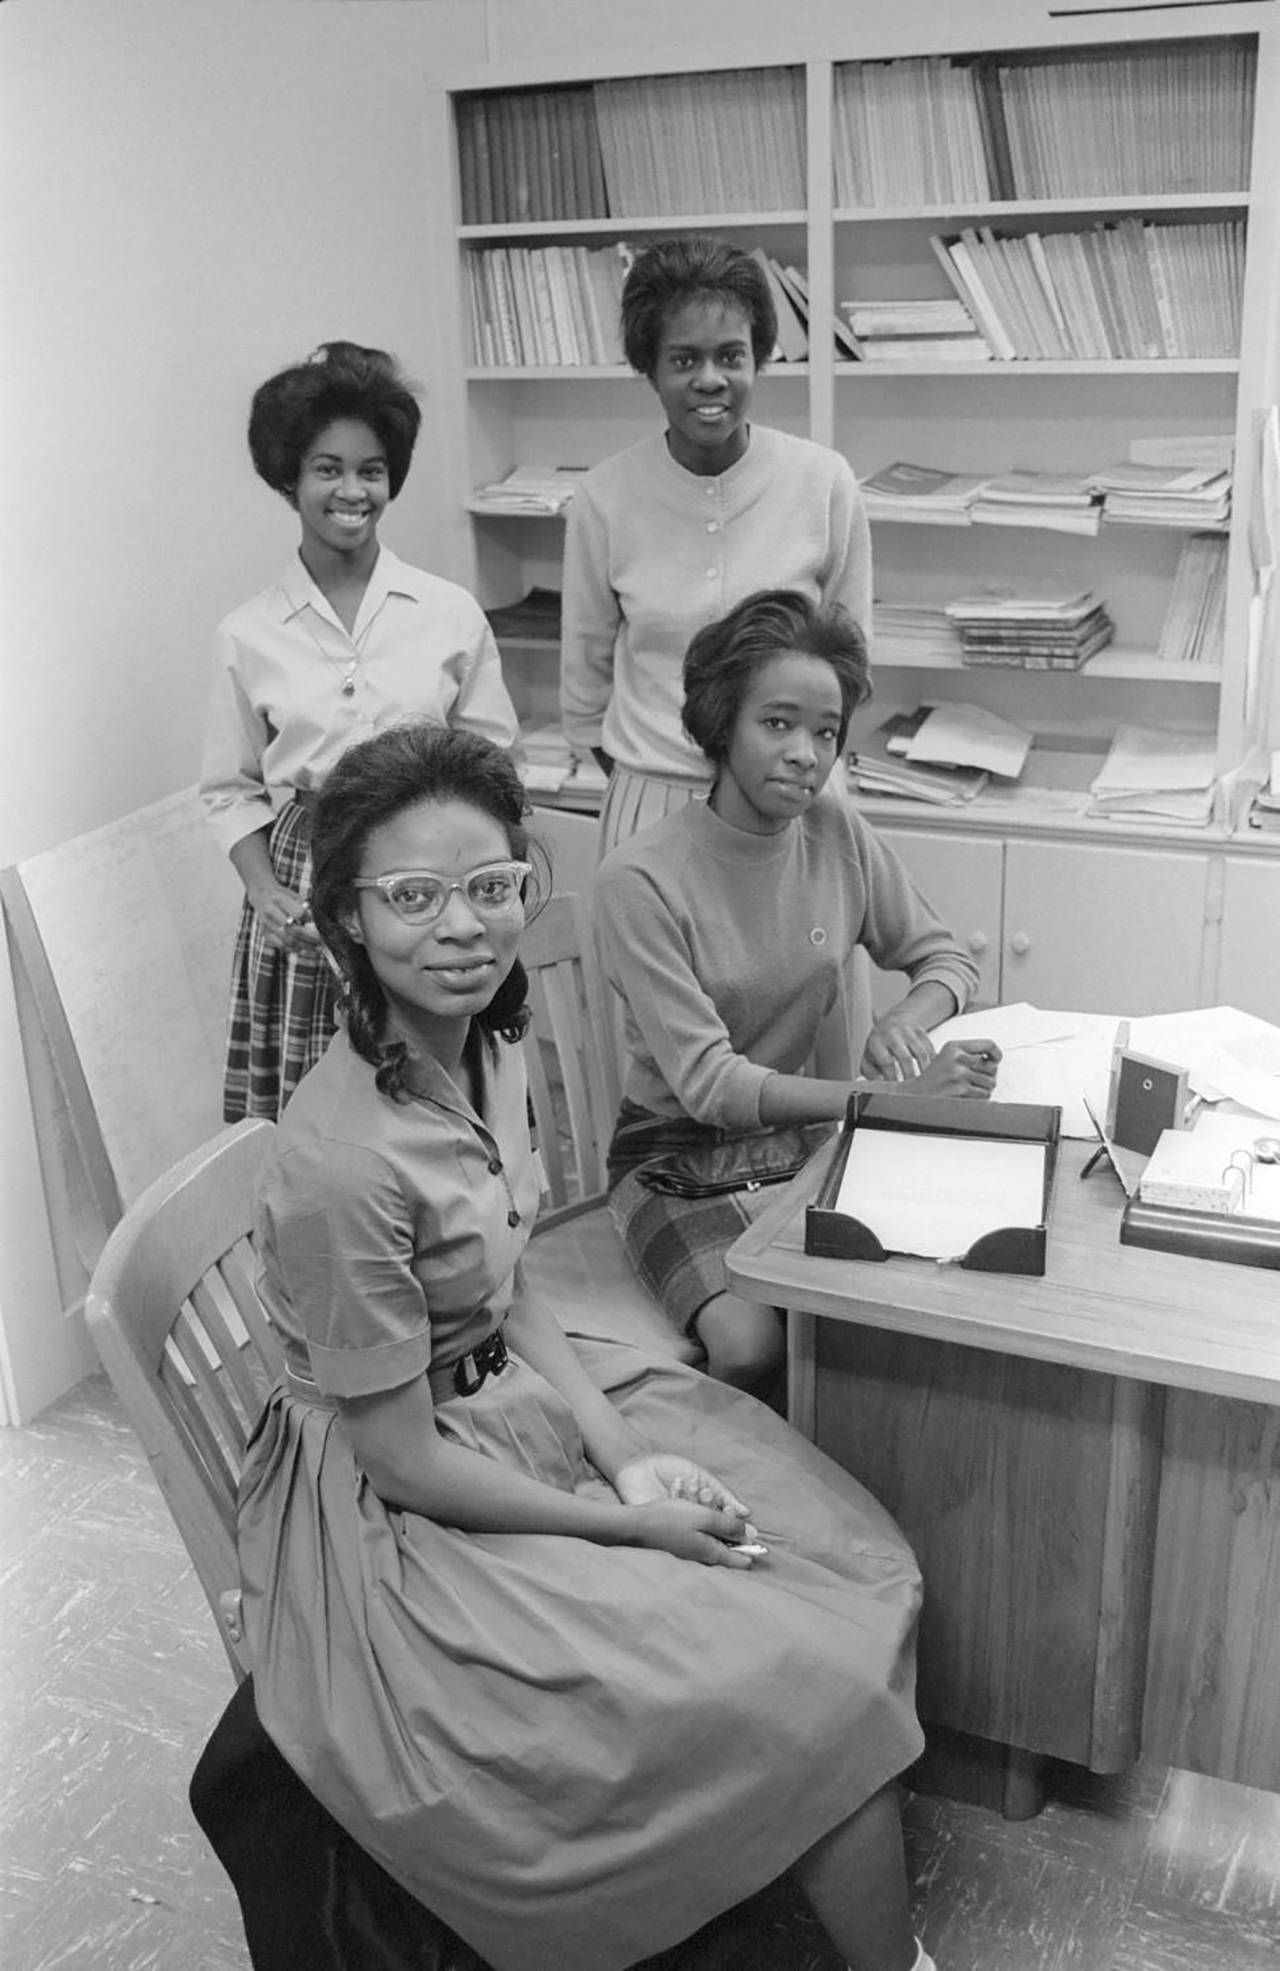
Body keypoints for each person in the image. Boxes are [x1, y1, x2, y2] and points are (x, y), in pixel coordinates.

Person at [236, 719, 940, 1971]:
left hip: (500, 1392)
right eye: (411, 897)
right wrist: (629, 1524)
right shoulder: (341, 1166)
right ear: (345, 918)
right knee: (778, 1660)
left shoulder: (481, 1048)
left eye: (492, 887)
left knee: (831, 1553)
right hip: (401, 1499)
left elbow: (507, 1292)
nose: (461, 928)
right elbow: (399, 1463)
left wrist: (618, 1453)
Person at [595, 590, 999, 1396]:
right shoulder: (638, 879)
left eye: (825, 732)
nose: (806, 754)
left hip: (807, 1136)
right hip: (675, 1154)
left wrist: (906, 1021)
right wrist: (887, 1102)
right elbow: (712, 1086)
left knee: (919, 1289)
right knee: (749, 1343)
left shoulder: (837, 833)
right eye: (777, 723)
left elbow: (946, 958)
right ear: (720, 723)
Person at [200, 339, 519, 1122]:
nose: (352, 490)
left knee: (432, 1096)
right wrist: (266, 890)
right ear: (289, 478)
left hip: (431, 875)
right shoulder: (247, 633)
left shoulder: (449, 613)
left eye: (370, 469)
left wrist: (478, 886)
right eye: (327, 468)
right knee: (319, 1112)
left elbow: (495, 764)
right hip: (311, 885)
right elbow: (229, 787)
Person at [560, 233, 872, 853]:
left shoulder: (823, 482)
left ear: (758, 359)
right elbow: (585, 679)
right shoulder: (604, 497)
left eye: (731, 356)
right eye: (684, 360)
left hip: (796, 801)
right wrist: (648, 777)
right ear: (650, 368)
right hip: (652, 798)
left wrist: (794, 765)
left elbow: (851, 661)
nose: (710, 379)